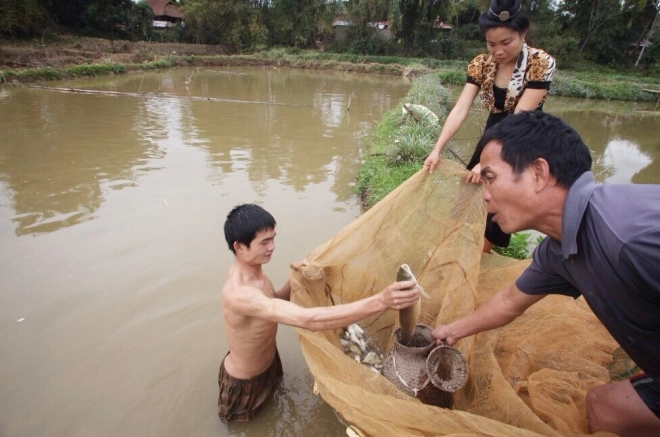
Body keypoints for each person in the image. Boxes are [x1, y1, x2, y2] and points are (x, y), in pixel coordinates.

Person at [431, 111, 660, 436]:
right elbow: (510, 301)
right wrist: (451, 331)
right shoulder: (558, 248)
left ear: (538, 173)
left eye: (491, 178)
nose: (484, 194)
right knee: (603, 407)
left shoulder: (631, 240)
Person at [219, 203, 419, 422]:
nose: (272, 247)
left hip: (271, 363)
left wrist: (293, 281)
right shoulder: (239, 294)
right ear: (239, 247)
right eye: (264, 242)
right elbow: (308, 319)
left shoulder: (255, 273)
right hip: (245, 382)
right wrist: (381, 301)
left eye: (273, 238)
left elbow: (272, 302)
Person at [423, 0, 556, 253]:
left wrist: (487, 164)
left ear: (523, 34)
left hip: (523, 136)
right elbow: (460, 108)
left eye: (506, 42)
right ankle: (455, 253)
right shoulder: (481, 64)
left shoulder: (540, 63)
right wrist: (437, 149)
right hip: (493, 132)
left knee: (495, 201)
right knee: (467, 195)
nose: (498, 51)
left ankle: (480, 260)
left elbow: (519, 117)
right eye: (491, 43)